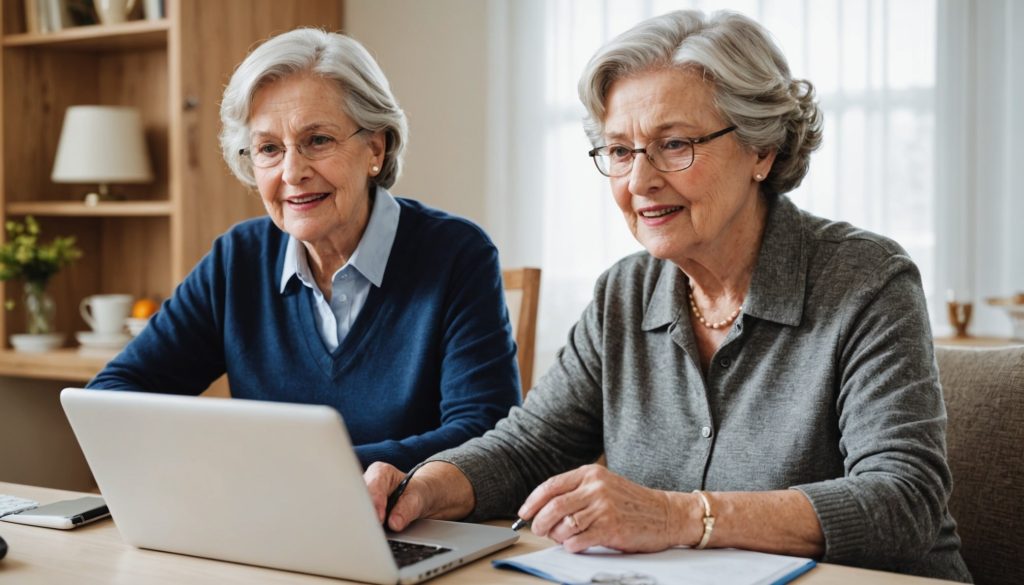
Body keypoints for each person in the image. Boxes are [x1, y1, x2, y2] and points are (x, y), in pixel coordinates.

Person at [365, 10, 971, 582]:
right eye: (620, 150)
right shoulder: (624, 293)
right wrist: (424, 486)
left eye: (675, 144)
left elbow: (903, 501)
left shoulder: (866, 279)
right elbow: (531, 445)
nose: (639, 180)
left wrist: (679, 517)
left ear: (763, 148)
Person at [88, 28, 521, 471]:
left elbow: (485, 433)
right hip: (268, 523)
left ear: (375, 147)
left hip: (411, 526)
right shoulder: (237, 259)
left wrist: (310, 471)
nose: (292, 172)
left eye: (317, 141)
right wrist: (221, 464)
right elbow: (113, 395)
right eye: (269, 149)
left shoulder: (457, 255)